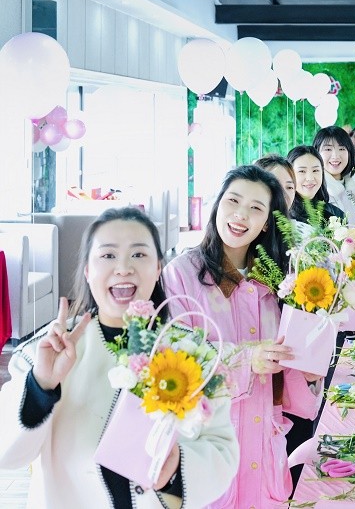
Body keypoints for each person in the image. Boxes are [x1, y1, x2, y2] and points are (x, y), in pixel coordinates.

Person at [0, 207, 238, 508]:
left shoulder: (194, 354)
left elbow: (221, 450)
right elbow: (7, 455)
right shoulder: (43, 354)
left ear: (158, 268)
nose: (124, 268)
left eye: (138, 254)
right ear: (88, 270)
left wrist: (176, 471)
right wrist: (41, 386)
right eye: (108, 255)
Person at [161, 167, 323, 508]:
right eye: (233, 201)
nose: (240, 215)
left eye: (255, 208)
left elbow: (285, 372)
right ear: (217, 205)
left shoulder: (280, 280)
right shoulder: (181, 274)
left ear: (266, 223)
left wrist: (307, 374)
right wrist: (248, 359)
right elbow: (176, 364)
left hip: (263, 449)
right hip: (209, 444)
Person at [312, 126, 355, 226]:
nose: (335, 156)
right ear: (317, 152)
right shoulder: (315, 190)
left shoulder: (354, 185)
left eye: (341, 149)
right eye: (328, 149)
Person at [286, 145, 346, 227]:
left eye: (315, 170)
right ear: (289, 174)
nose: (310, 178)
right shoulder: (283, 215)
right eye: (302, 171)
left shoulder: (335, 213)